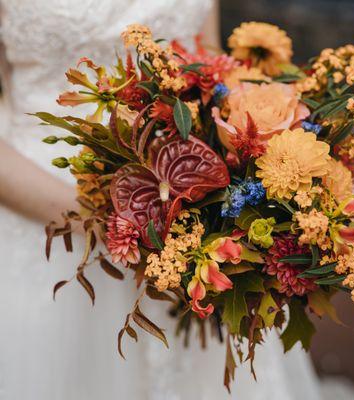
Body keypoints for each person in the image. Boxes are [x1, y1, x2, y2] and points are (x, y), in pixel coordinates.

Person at [0, 1, 322, 399]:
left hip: (183, 205)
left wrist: (228, 194)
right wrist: (115, 222)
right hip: (48, 217)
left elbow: (208, 76)